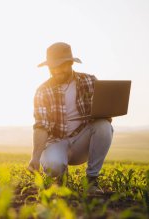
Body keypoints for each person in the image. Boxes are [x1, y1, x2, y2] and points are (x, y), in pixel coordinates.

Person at [28, 42, 113, 195]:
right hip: (56, 142)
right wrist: (35, 157)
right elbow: (41, 126)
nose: (57, 71)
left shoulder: (90, 81)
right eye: (52, 67)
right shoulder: (42, 91)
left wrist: (106, 112)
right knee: (54, 166)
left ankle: (92, 180)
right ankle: (61, 177)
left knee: (104, 125)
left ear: (71, 63)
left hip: (82, 141)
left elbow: (105, 113)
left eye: (61, 66)